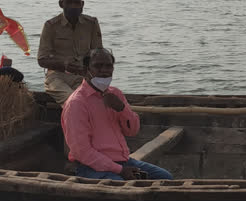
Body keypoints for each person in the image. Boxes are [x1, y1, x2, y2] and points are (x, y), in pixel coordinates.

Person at [61, 48, 173, 181]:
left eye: (108, 66)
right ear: (86, 70)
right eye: (98, 66)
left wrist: (122, 108)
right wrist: (120, 170)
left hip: (124, 161)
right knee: (121, 187)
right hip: (90, 167)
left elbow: (133, 131)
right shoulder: (77, 103)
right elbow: (82, 152)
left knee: (164, 178)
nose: (104, 70)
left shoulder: (116, 94)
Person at [37, 0, 102, 106]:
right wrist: (64, 64)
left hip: (83, 76)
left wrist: (94, 74)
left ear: (82, 4)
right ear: (61, 4)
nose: (73, 6)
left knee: (97, 101)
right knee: (73, 101)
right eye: (69, 3)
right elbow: (42, 59)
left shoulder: (91, 23)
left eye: (77, 3)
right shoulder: (51, 26)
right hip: (57, 77)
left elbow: (98, 54)